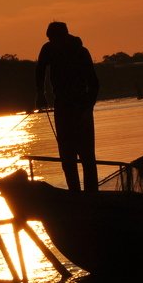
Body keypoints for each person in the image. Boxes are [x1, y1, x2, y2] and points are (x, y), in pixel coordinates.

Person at [35, 21, 99, 192]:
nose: (51, 42)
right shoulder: (49, 49)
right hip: (62, 106)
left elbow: (94, 84)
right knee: (67, 157)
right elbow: (40, 70)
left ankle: (91, 195)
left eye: (53, 39)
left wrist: (88, 108)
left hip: (81, 106)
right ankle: (74, 193)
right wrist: (40, 93)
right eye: (50, 39)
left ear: (64, 36)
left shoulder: (81, 52)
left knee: (87, 156)